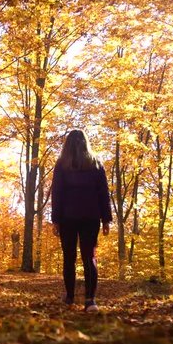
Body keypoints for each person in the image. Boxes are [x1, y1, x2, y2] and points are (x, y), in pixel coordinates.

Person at [51, 129, 112, 313]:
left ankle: (70, 297)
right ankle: (90, 300)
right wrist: (106, 219)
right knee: (89, 257)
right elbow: (104, 194)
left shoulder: (62, 164)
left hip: (67, 217)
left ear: (67, 144)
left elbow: (57, 193)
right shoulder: (95, 164)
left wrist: (56, 220)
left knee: (69, 258)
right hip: (90, 217)